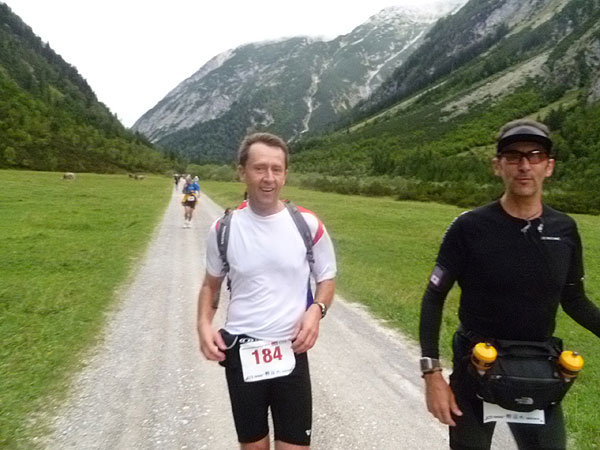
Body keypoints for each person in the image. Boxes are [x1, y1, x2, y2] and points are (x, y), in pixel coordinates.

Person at [418, 119, 600, 450]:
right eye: (513, 156)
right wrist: (432, 374)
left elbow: (574, 300)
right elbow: (434, 297)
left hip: (538, 369)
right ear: (497, 166)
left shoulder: (564, 229)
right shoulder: (469, 227)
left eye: (535, 155)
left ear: (549, 166)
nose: (524, 165)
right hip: (476, 366)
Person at [196, 132, 336, 450]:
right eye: (259, 168)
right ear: (242, 172)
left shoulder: (308, 225)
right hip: (242, 350)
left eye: (276, 169)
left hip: (291, 349)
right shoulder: (223, 230)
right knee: (254, 447)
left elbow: (326, 279)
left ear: (285, 174)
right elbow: (210, 285)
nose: (268, 178)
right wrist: (203, 325)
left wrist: (316, 311)